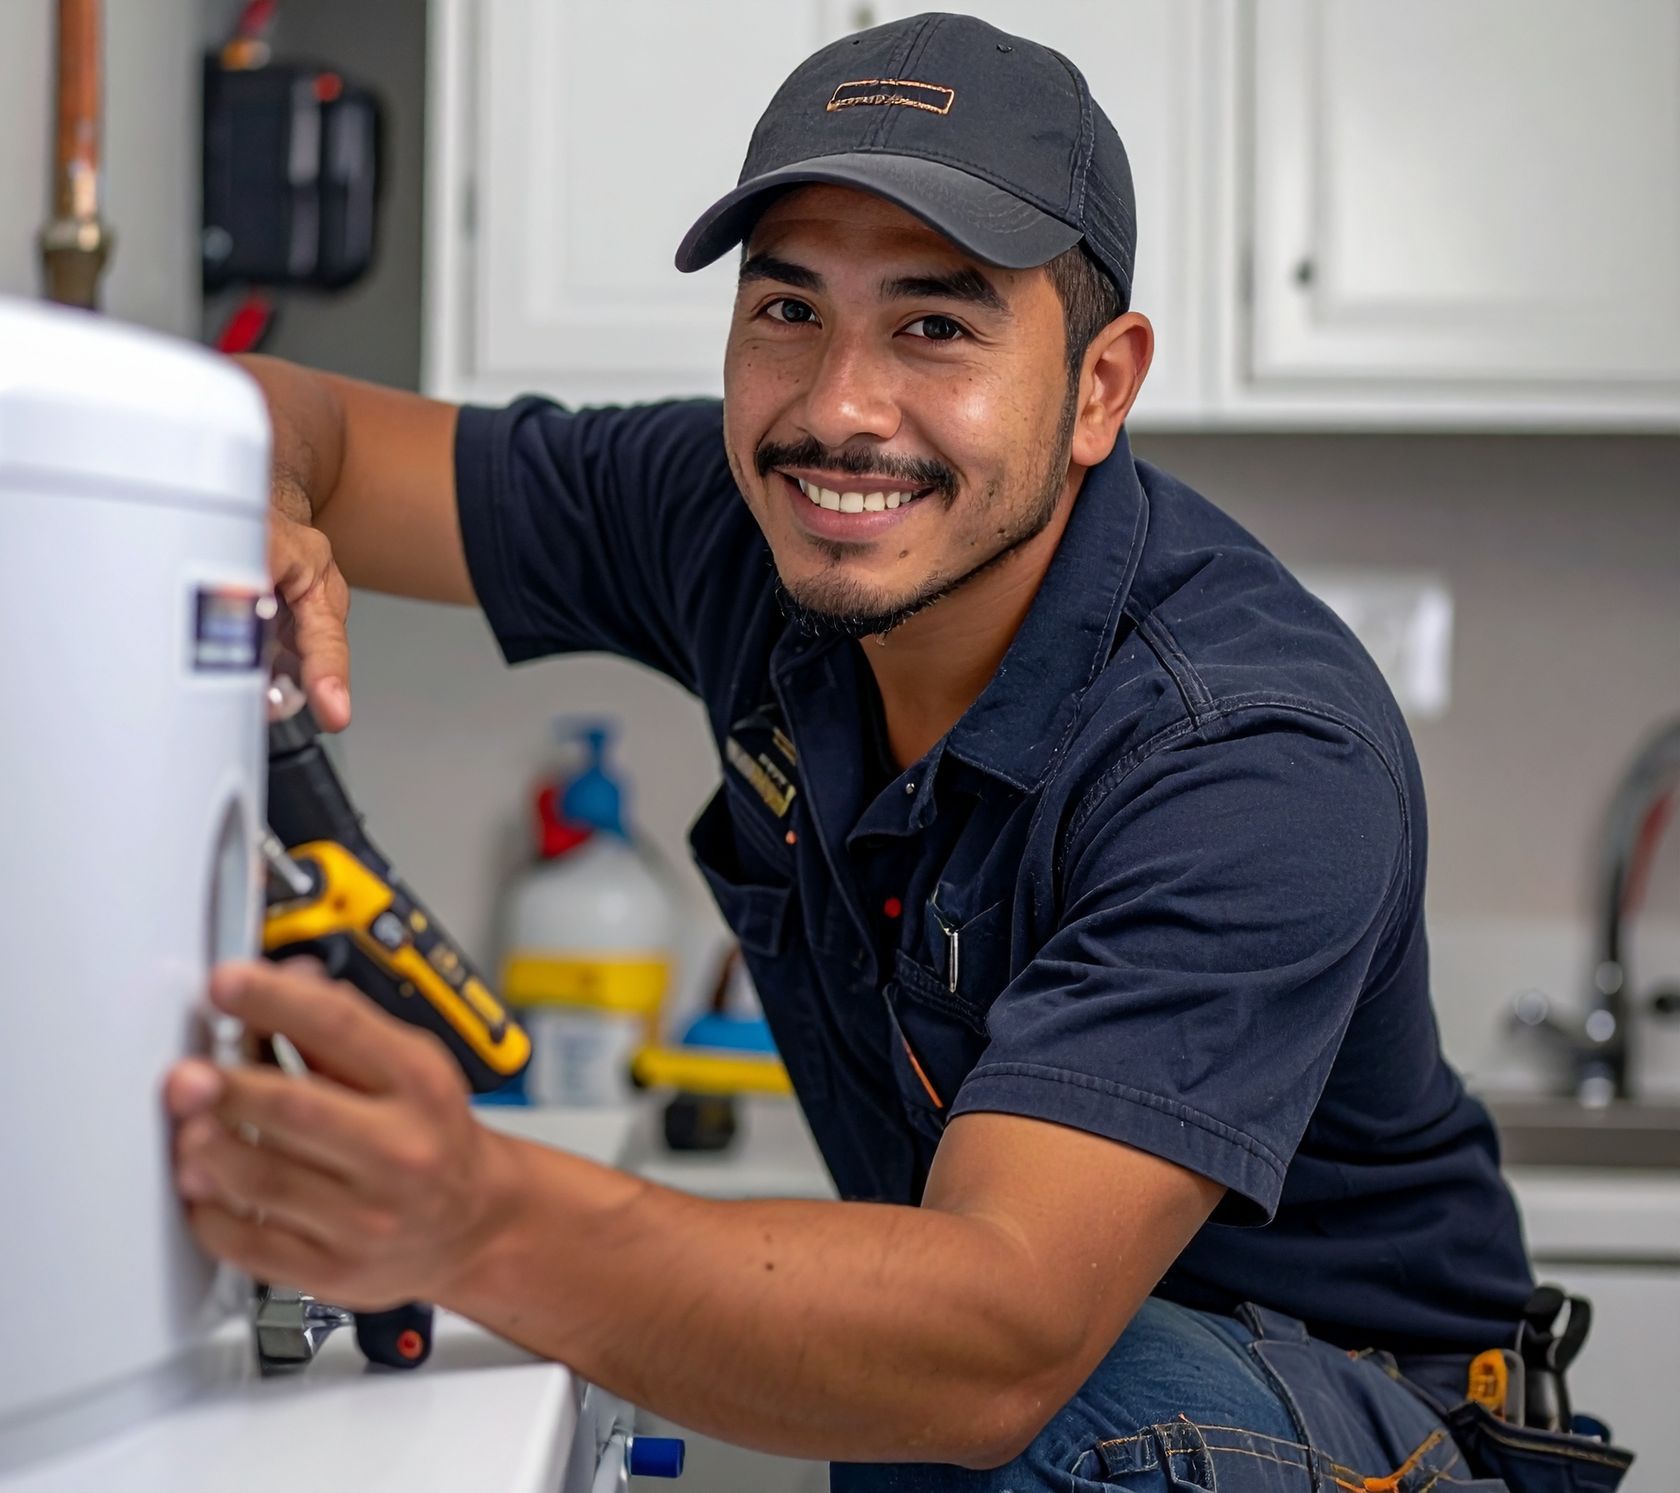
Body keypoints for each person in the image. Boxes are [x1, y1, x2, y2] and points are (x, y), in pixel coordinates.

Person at [164, 14, 1625, 1490]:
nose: (837, 409)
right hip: (1029, 1371)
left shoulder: (1247, 749)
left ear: (1102, 387)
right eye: (787, 310)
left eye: (936, 323)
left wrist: (475, 1213)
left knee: (990, 1401)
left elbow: (993, 1339)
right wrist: (266, 496)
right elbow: (312, 428)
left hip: (1351, 1415)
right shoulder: (735, 513)